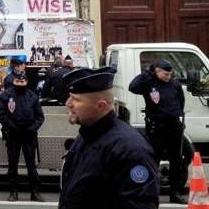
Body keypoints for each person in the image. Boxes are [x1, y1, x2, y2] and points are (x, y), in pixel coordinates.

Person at [59, 67, 160, 209]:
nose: (68, 104)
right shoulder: (86, 136)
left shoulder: (130, 149)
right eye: (69, 97)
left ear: (101, 106)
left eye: (75, 99)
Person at [128, 59, 187, 204]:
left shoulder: (174, 83)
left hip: (173, 126)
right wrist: (148, 72)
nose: (168, 77)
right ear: (157, 71)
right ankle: (151, 194)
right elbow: (132, 86)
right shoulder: (149, 82)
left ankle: (175, 192)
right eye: (165, 74)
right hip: (156, 128)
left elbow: (181, 100)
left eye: (170, 74)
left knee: (177, 161)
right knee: (153, 161)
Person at [0, 69, 44, 202]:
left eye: (22, 81)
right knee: (12, 166)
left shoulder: (32, 96)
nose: (20, 83)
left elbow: (40, 117)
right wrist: (10, 125)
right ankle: (13, 192)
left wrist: (32, 128)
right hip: (13, 134)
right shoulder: (6, 95)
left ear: (26, 82)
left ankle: (35, 193)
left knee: (31, 166)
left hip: (29, 135)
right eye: (17, 81)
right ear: (13, 81)